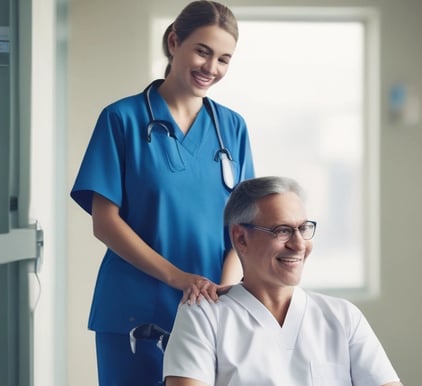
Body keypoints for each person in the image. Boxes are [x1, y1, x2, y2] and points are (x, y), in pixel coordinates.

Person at [69, 1, 255, 384]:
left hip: (208, 311)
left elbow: (244, 227)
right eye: (202, 51)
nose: (211, 68)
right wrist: (179, 278)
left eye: (223, 59)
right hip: (136, 312)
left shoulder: (232, 129)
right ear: (174, 42)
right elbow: (105, 223)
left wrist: (226, 288)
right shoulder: (121, 119)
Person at [162, 176, 403, 386]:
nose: (299, 244)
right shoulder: (203, 317)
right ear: (241, 238)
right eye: (282, 230)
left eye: (304, 228)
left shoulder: (343, 317)